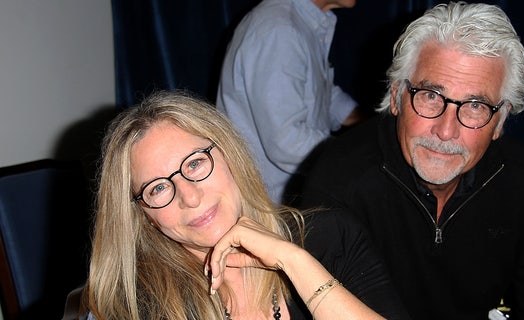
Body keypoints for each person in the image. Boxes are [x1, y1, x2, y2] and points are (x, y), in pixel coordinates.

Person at [295, 2, 524, 319]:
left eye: (475, 105)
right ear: (396, 97)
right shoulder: (338, 181)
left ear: (500, 121)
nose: (446, 130)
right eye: (431, 95)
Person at [78, 90, 410, 319]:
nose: (190, 197)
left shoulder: (332, 237)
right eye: (159, 188)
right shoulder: (138, 305)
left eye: (194, 164)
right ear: (145, 216)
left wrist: (293, 261)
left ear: (229, 155)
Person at [216, 0, 370, 204]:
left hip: (285, 202)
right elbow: (286, 141)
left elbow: (322, 94)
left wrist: (371, 125)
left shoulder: (297, 21)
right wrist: (363, 156)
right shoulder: (279, 29)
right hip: (273, 209)